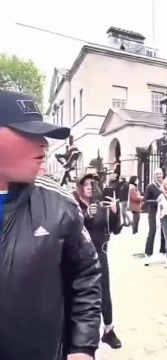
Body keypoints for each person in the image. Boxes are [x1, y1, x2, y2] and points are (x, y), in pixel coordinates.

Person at [0, 90, 101, 360]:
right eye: (29, 133)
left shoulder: (59, 204)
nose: (44, 145)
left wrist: (82, 347)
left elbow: (86, 275)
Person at [74, 174, 122, 349]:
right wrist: (86, 215)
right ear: (78, 187)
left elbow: (115, 229)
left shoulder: (101, 206)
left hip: (100, 255)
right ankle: (81, 336)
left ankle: (108, 331)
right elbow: (72, 229)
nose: (89, 187)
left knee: (104, 293)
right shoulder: (72, 205)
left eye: (92, 184)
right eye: (85, 184)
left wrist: (116, 212)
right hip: (78, 257)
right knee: (82, 295)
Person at [143, 168, 166, 265]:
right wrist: (156, 202)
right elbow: (145, 200)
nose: (159, 176)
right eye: (157, 174)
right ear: (154, 176)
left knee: (164, 232)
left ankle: (163, 252)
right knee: (152, 231)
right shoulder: (150, 186)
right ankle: (148, 253)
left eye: (160, 174)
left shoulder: (166, 185)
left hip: (164, 212)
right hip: (153, 212)